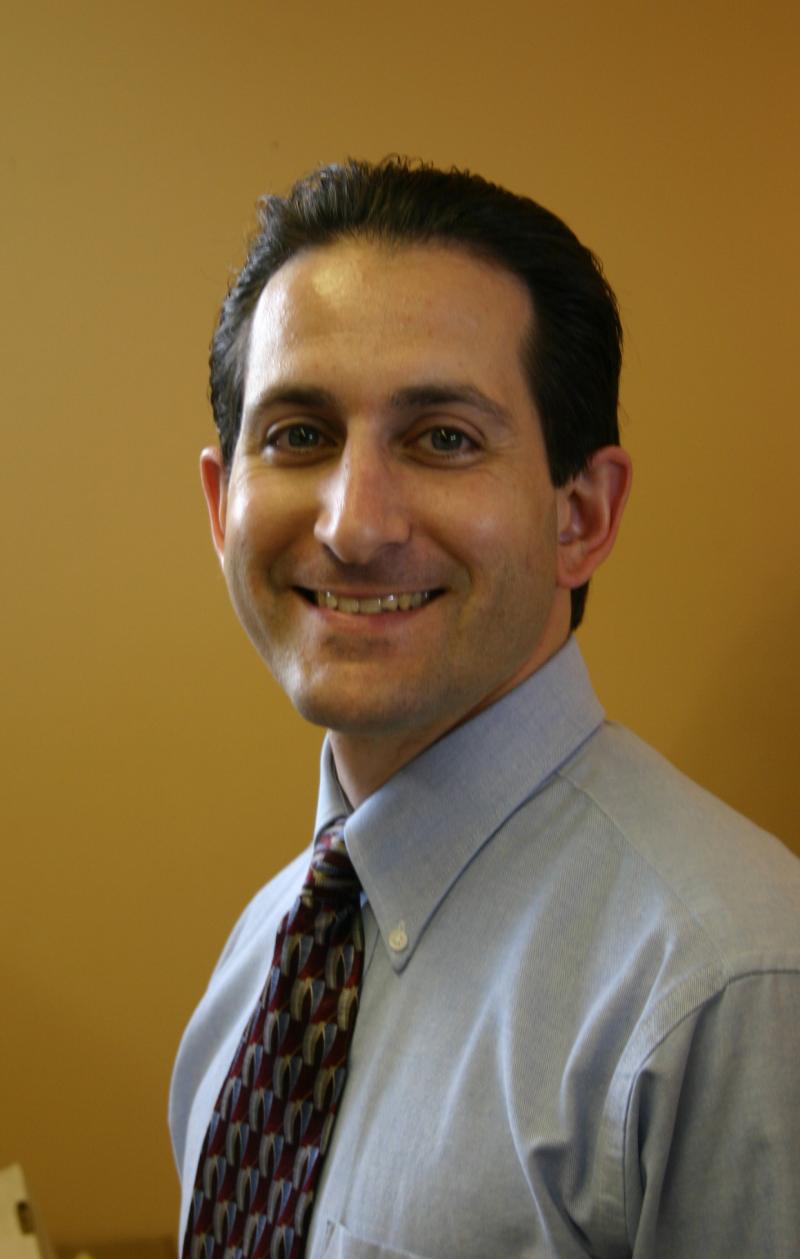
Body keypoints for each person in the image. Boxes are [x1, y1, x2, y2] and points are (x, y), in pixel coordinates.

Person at [170, 158, 800, 1259]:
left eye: (443, 438)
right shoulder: (264, 955)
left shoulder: (730, 989)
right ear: (223, 507)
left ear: (580, 517)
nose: (352, 524)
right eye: (300, 435)